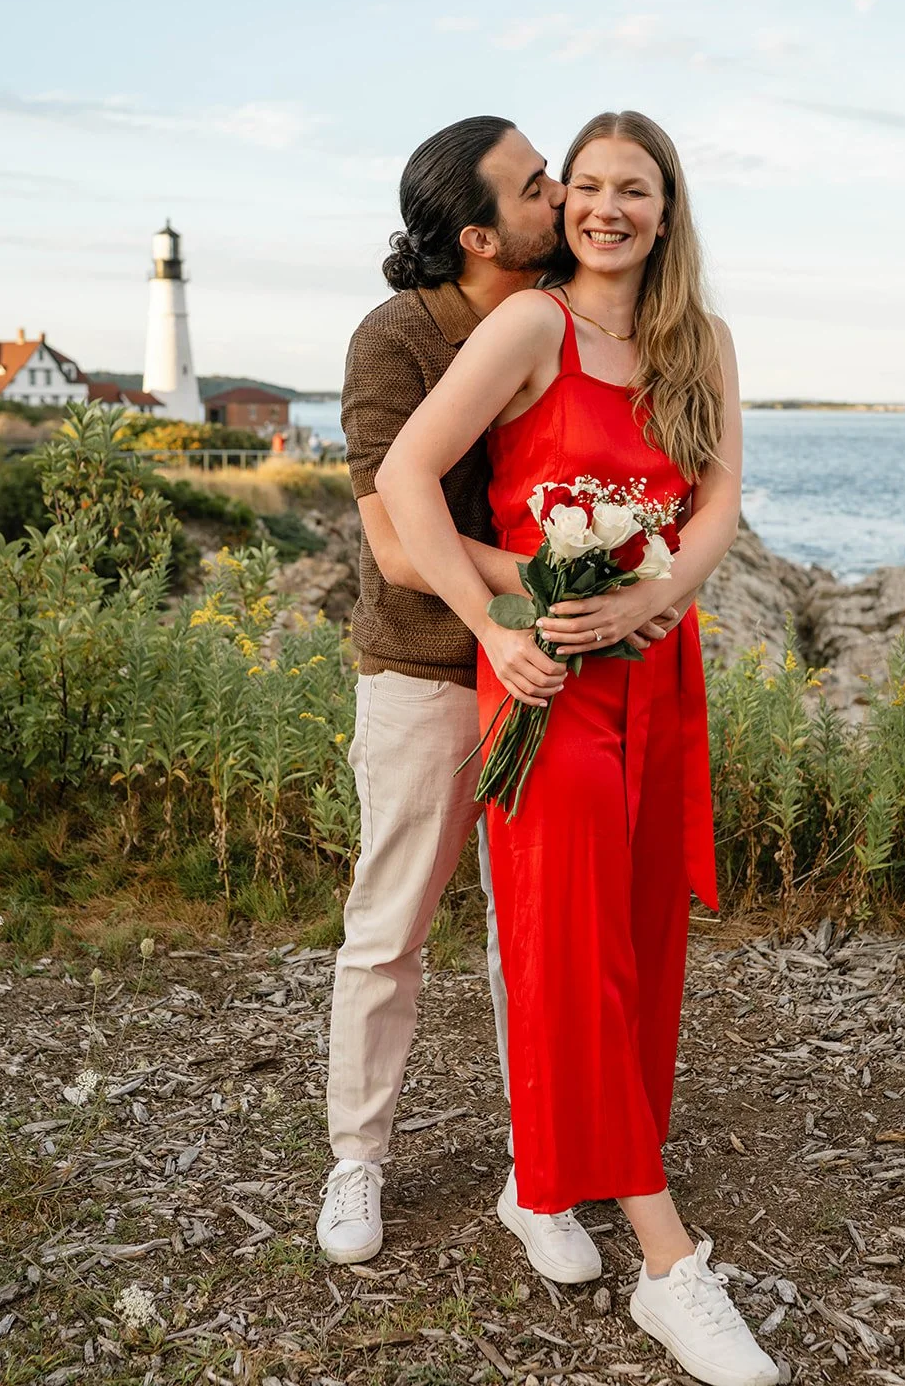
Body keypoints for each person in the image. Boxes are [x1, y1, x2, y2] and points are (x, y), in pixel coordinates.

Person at [377, 112, 778, 1386]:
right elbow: (403, 474)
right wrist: (495, 633)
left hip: (661, 678)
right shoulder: (531, 326)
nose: (605, 207)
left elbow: (714, 501)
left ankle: (545, 1178)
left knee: (642, 941)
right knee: (569, 952)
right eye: (586, 186)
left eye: (633, 189)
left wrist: (660, 593)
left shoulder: (696, 341)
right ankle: (670, 1265)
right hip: (550, 690)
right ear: (569, 208)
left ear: (667, 208)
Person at [319, 116, 672, 1279]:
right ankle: (357, 1155)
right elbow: (397, 544)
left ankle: (546, 1167)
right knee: (391, 928)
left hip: (548, 674)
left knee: (541, 937)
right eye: (537, 185)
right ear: (479, 233)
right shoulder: (397, 340)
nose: (566, 192)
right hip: (430, 665)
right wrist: (582, 577)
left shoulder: (577, 320)